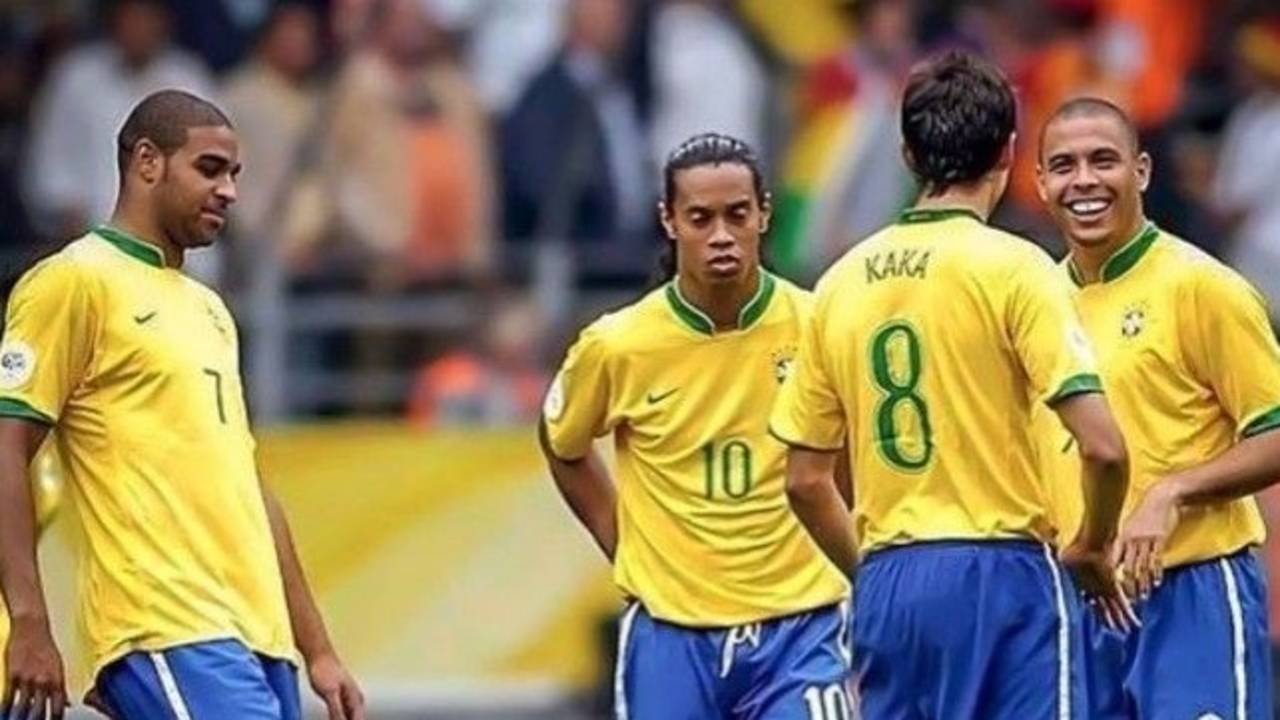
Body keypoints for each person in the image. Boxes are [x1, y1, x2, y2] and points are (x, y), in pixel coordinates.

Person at [770, 51, 1133, 719]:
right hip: (1003, 573)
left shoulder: (839, 283)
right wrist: (1092, 543)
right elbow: (1104, 448)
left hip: (891, 579)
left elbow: (804, 480)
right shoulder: (1017, 269)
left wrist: (869, 573)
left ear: (908, 154)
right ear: (1010, 152)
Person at [0, 90, 364, 720]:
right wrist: (29, 620)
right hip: (165, 624)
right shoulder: (73, 281)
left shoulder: (210, 311)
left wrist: (318, 649)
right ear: (147, 161)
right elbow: (7, 448)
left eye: (234, 174)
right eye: (210, 169)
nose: (229, 191)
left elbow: (249, 488)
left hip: (258, 636)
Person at [540, 132, 852, 719]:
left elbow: (849, 452)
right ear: (669, 221)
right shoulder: (619, 345)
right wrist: (621, 540)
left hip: (802, 625)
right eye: (701, 218)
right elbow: (563, 442)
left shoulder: (818, 325)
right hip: (673, 631)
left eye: (737, 215)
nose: (721, 235)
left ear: (764, 214)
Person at [1035, 96, 1280, 718]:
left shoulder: (1203, 287)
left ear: (1140, 172)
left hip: (1193, 589)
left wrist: (1172, 491)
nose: (1083, 181)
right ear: (1039, 184)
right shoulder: (1036, 303)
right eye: (1064, 166)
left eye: (1103, 161)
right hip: (1081, 607)